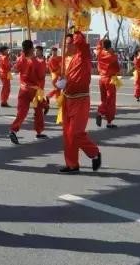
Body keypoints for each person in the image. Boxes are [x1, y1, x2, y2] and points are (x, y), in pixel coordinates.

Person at [57, 29, 101, 173]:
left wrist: (75, 28)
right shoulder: (66, 60)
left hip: (80, 99)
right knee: (68, 135)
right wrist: (62, 82)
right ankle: (72, 164)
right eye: (63, 44)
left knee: (76, 133)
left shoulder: (83, 56)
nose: (64, 47)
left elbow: (81, 42)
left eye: (68, 44)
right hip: (67, 99)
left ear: (75, 44)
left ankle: (94, 153)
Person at [8, 41, 47, 143]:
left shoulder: (21, 59)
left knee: (22, 112)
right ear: (32, 49)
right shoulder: (37, 62)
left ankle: (13, 130)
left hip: (23, 89)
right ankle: (39, 132)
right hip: (34, 92)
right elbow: (41, 76)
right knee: (38, 112)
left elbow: (15, 69)